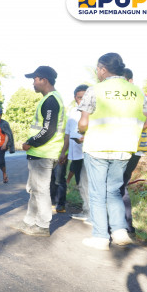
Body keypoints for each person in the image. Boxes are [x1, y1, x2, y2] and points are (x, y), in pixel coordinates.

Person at [78, 53, 147, 251]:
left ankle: (101, 237)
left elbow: (83, 124)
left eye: (97, 69)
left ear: (103, 69)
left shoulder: (94, 90)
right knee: (114, 191)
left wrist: (81, 129)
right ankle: (120, 232)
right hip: (124, 149)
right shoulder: (136, 92)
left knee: (97, 192)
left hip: (97, 147)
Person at [17, 66, 66, 237]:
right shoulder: (50, 99)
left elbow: (48, 130)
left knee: (41, 190)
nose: (33, 83)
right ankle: (30, 221)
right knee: (35, 190)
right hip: (42, 153)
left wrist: (30, 143)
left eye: (35, 79)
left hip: (43, 153)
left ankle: (42, 225)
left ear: (44, 80)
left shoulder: (51, 100)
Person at [119, 68, 147, 235]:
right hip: (132, 147)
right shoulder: (140, 96)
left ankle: (125, 225)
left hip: (130, 147)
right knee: (120, 185)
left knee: (120, 185)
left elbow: (146, 122)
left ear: (130, 81)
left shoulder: (138, 96)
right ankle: (126, 225)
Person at [59, 84, 90, 222]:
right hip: (74, 155)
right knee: (81, 184)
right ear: (75, 98)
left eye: (84, 97)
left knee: (87, 184)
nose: (81, 100)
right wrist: (63, 152)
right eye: (79, 97)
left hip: (87, 154)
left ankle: (91, 214)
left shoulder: (93, 112)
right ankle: (86, 211)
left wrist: (85, 138)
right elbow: (67, 135)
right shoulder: (72, 112)